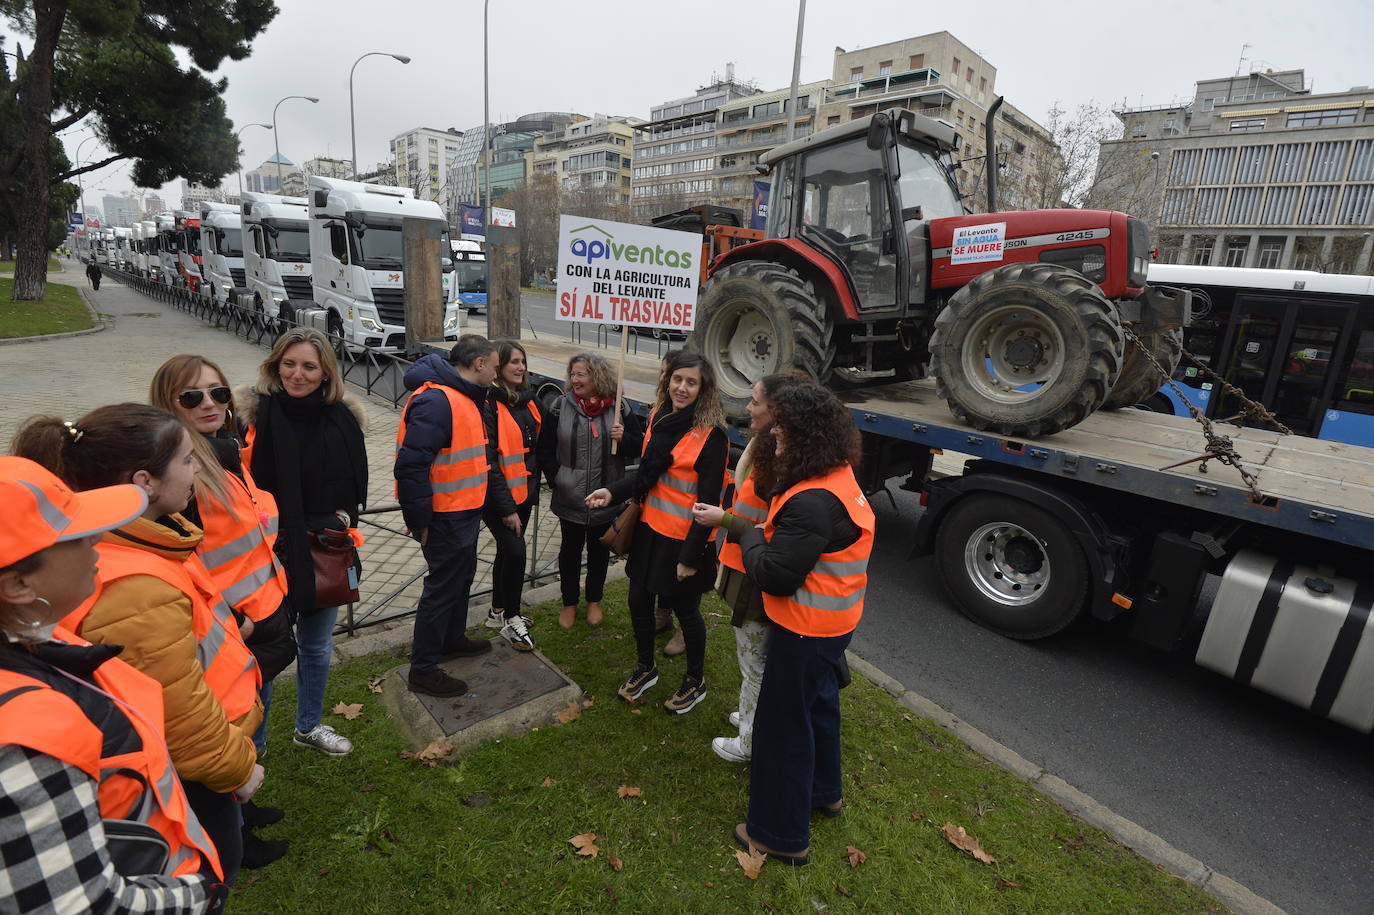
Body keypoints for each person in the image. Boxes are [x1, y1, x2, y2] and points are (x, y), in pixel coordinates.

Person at [13, 404, 267, 886]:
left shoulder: (149, 540)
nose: (198, 469)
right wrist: (236, 769)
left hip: (203, 755)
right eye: (189, 460)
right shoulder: (129, 582)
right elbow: (177, 708)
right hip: (195, 771)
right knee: (210, 878)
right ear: (145, 480)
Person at [0, 457, 229, 913]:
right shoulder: (24, 738)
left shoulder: (36, 638)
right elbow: (80, 905)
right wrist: (200, 895)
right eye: (80, 538)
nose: (97, 547)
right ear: (18, 584)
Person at [151, 354, 293, 868]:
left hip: (260, 621)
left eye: (218, 392)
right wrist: (232, 622)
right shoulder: (183, 472)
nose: (210, 404)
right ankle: (235, 835)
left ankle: (244, 814)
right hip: (232, 631)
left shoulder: (224, 454)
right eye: (192, 397)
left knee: (256, 721)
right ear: (168, 406)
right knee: (235, 729)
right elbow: (181, 563)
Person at [730, 382, 874, 867]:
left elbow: (775, 575)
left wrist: (750, 535)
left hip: (805, 629)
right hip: (833, 623)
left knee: (782, 727)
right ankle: (823, 793)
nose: (775, 437)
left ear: (802, 435)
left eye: (782, 430)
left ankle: (779, 834)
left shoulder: (811, 501)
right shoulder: (837, 475)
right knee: (818, 709)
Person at [240, 327, 367, 757]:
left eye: (309, 366)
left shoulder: (343, 418)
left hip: (323, 551)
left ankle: (308, 725)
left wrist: (342, 519)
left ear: (325, 372)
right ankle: (254, 743)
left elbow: (352, 488)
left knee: (316, 644)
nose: (297, 374)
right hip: (266, 554)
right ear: (275, 366)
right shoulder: (252, 417)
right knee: (269, 651)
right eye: (288, 364)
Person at [587, 351, 728, 714]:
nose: (681, 387)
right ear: (668, 381)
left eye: (691, 382)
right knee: (638, 602)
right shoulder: (659, 417)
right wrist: (613, 491)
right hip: (650, 532)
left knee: (687, 613)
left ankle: (695, 681)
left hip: (684, 542)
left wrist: (690, 557)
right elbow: (647, 474)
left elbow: (708, 504)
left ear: (703, 389)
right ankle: (645, 667)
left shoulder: (712, 436)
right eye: (677, 379)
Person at [691, 372, 804, 763]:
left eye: (756, 401)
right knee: (752, 660)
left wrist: (723, 520)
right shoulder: (765, 444)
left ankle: (751, 741)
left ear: (778, 411)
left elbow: (774, 530)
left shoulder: (786, 461)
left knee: (755, 663)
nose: (748, 407)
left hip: (758, 575)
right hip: (746, 567)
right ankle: (753, 713)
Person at [395, 334, 500, 698]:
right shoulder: (439, 400)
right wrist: (419, 521)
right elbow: (411, 467)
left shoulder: (462, 397)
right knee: (441, 590)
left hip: (463, 513)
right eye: (495, 366)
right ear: (480, 364)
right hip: (444, 517)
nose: (498, 373)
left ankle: (452, 639)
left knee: (461, 579)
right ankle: (423, 668)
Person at [539, 353, 642, 630]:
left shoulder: (620, 408)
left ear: (597, 376)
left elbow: (640, 447)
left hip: (606, 496)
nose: (574, 379)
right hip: (569, 495)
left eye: (581, 374)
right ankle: (569, 603)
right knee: (570, 552)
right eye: (572, 374)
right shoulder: (560, 406)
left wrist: (625, 439)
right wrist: (557, 478)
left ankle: (594, 600)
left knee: (599, 551)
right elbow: (545, 449)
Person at [481, 340, 547, 650]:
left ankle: (497, 610)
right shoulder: (490, 405)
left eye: (523, 361)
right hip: (498, 499)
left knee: (507, 553)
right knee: (517, 553)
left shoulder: (527, 400)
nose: (521, 367)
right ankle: (512, 618)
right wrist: (506, 507)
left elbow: (536, 448)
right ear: (498, 369)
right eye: (513, 362)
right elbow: (489, 461)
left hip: (525, 492)